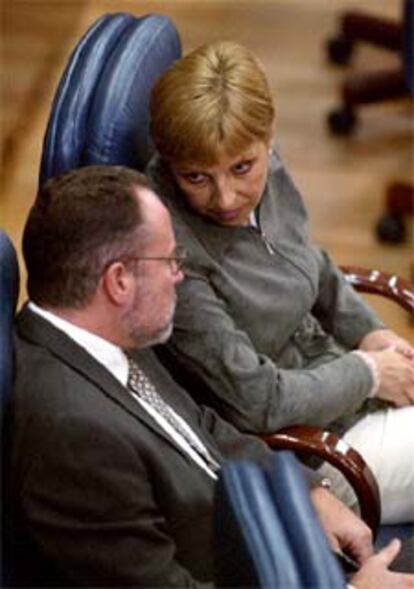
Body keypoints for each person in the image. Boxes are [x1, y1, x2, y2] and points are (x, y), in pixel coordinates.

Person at [4, 165, 412, 587]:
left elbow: (205, 428)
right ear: (119, 281)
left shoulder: (102, 337)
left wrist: (310, 492)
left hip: (273, 547)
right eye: (170, 260)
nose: (179, 276)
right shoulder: (73, 435)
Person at [146, 40, 414, 524]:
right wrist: (370, 372)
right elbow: (256, 403)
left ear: (268, 138)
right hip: (313, 454)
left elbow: (309, 259)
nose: (225, 198)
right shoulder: (173, 252)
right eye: (195, 177)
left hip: (343, 383)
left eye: (242, 169)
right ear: (167, 163)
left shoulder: (260, 160)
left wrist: (371, 332)